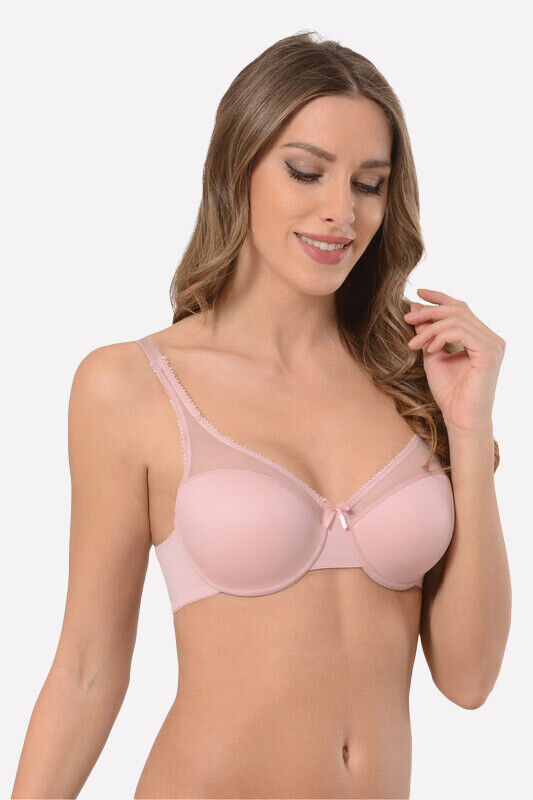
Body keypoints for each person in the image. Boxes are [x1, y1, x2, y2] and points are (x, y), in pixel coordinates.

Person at [12, 31, 511, 800]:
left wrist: (469, 432)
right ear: (236, 166)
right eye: (306, 171)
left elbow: (469, 679)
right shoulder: (132, 386)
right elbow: (86, 667)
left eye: (369, 183)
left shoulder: (414, 385)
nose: (340, 211)